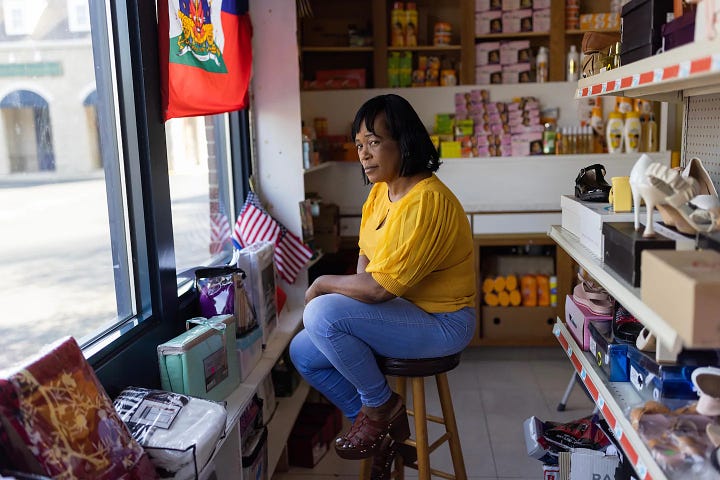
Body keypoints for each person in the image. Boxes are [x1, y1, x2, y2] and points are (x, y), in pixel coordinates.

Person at [289, 94, 476, 479]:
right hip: (401, 314)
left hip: (443, 322)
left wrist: (323, 283)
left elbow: (379, 290)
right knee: (303, 352)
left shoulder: (426, 201)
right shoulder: (381, 192)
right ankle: (377, 424)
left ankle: (380, 408)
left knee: (321, 313)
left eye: (374, 142)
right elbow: (366, 261)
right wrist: (342, 292)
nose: (364, 154)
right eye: (359, 145)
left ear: (404, 142)